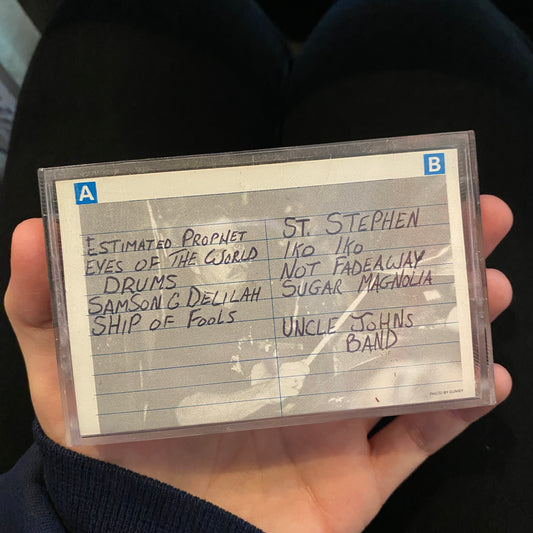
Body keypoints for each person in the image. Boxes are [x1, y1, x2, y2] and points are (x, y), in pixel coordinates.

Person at [0, 1, 531, 531]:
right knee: (431, 22)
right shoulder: (165, 330)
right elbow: (180, 407)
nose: (238, 258)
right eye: (218, 252)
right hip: (237, 467)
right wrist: (264, 393)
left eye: (243, 244)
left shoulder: (282, 281)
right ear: (188, 264)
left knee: (138, 28)